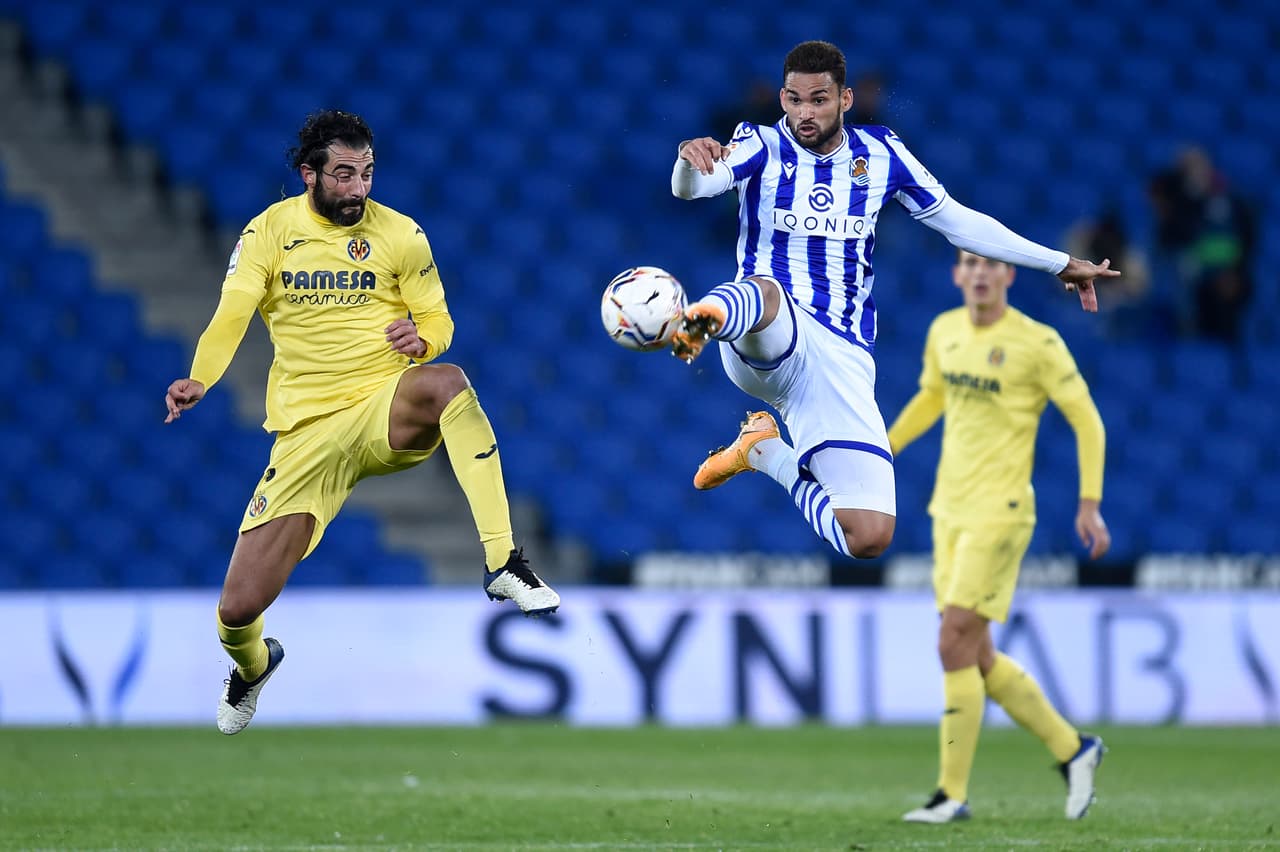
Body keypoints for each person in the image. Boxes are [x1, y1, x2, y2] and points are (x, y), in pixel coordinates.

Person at [163, 110, 559, 735]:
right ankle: (255, 668)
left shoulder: (402, 235)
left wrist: (422, 340)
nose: (358, 188)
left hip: (382, 402)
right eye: (343, 175)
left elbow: (438, 320)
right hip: (306, 437)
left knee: (450, 381)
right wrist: (200, 377)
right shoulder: (269, 233)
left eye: (367, 173)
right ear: (309, 174)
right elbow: (232, 312)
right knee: (237, 611)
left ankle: (504, 562)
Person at [668, 40, 1119, 563]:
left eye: (818, 100)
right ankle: (701, 320)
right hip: (762, 332)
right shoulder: (759, 143)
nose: (803, 112)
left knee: (868, 535)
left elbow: (957, 221)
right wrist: (687, 160)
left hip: (841, 356)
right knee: (768, 291)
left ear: (846, 100)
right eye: (793, 99)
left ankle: (762, 451)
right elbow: (693, 189)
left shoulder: (882, 154)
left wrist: (1059, 262)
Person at [887, 250, 1110, 823]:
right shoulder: (944, 331)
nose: (980, 272)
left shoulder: (1038, 342)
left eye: (991, 265)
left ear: (1009, 274)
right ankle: (1074, 750)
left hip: (1002, 511)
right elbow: (932, 398)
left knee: (951, 642)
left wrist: (1089, 503)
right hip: (949, 509)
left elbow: (1086, 418)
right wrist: (880, 453)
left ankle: (951, 794)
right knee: (974, 653)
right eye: (968, 263)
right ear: (957, 274)